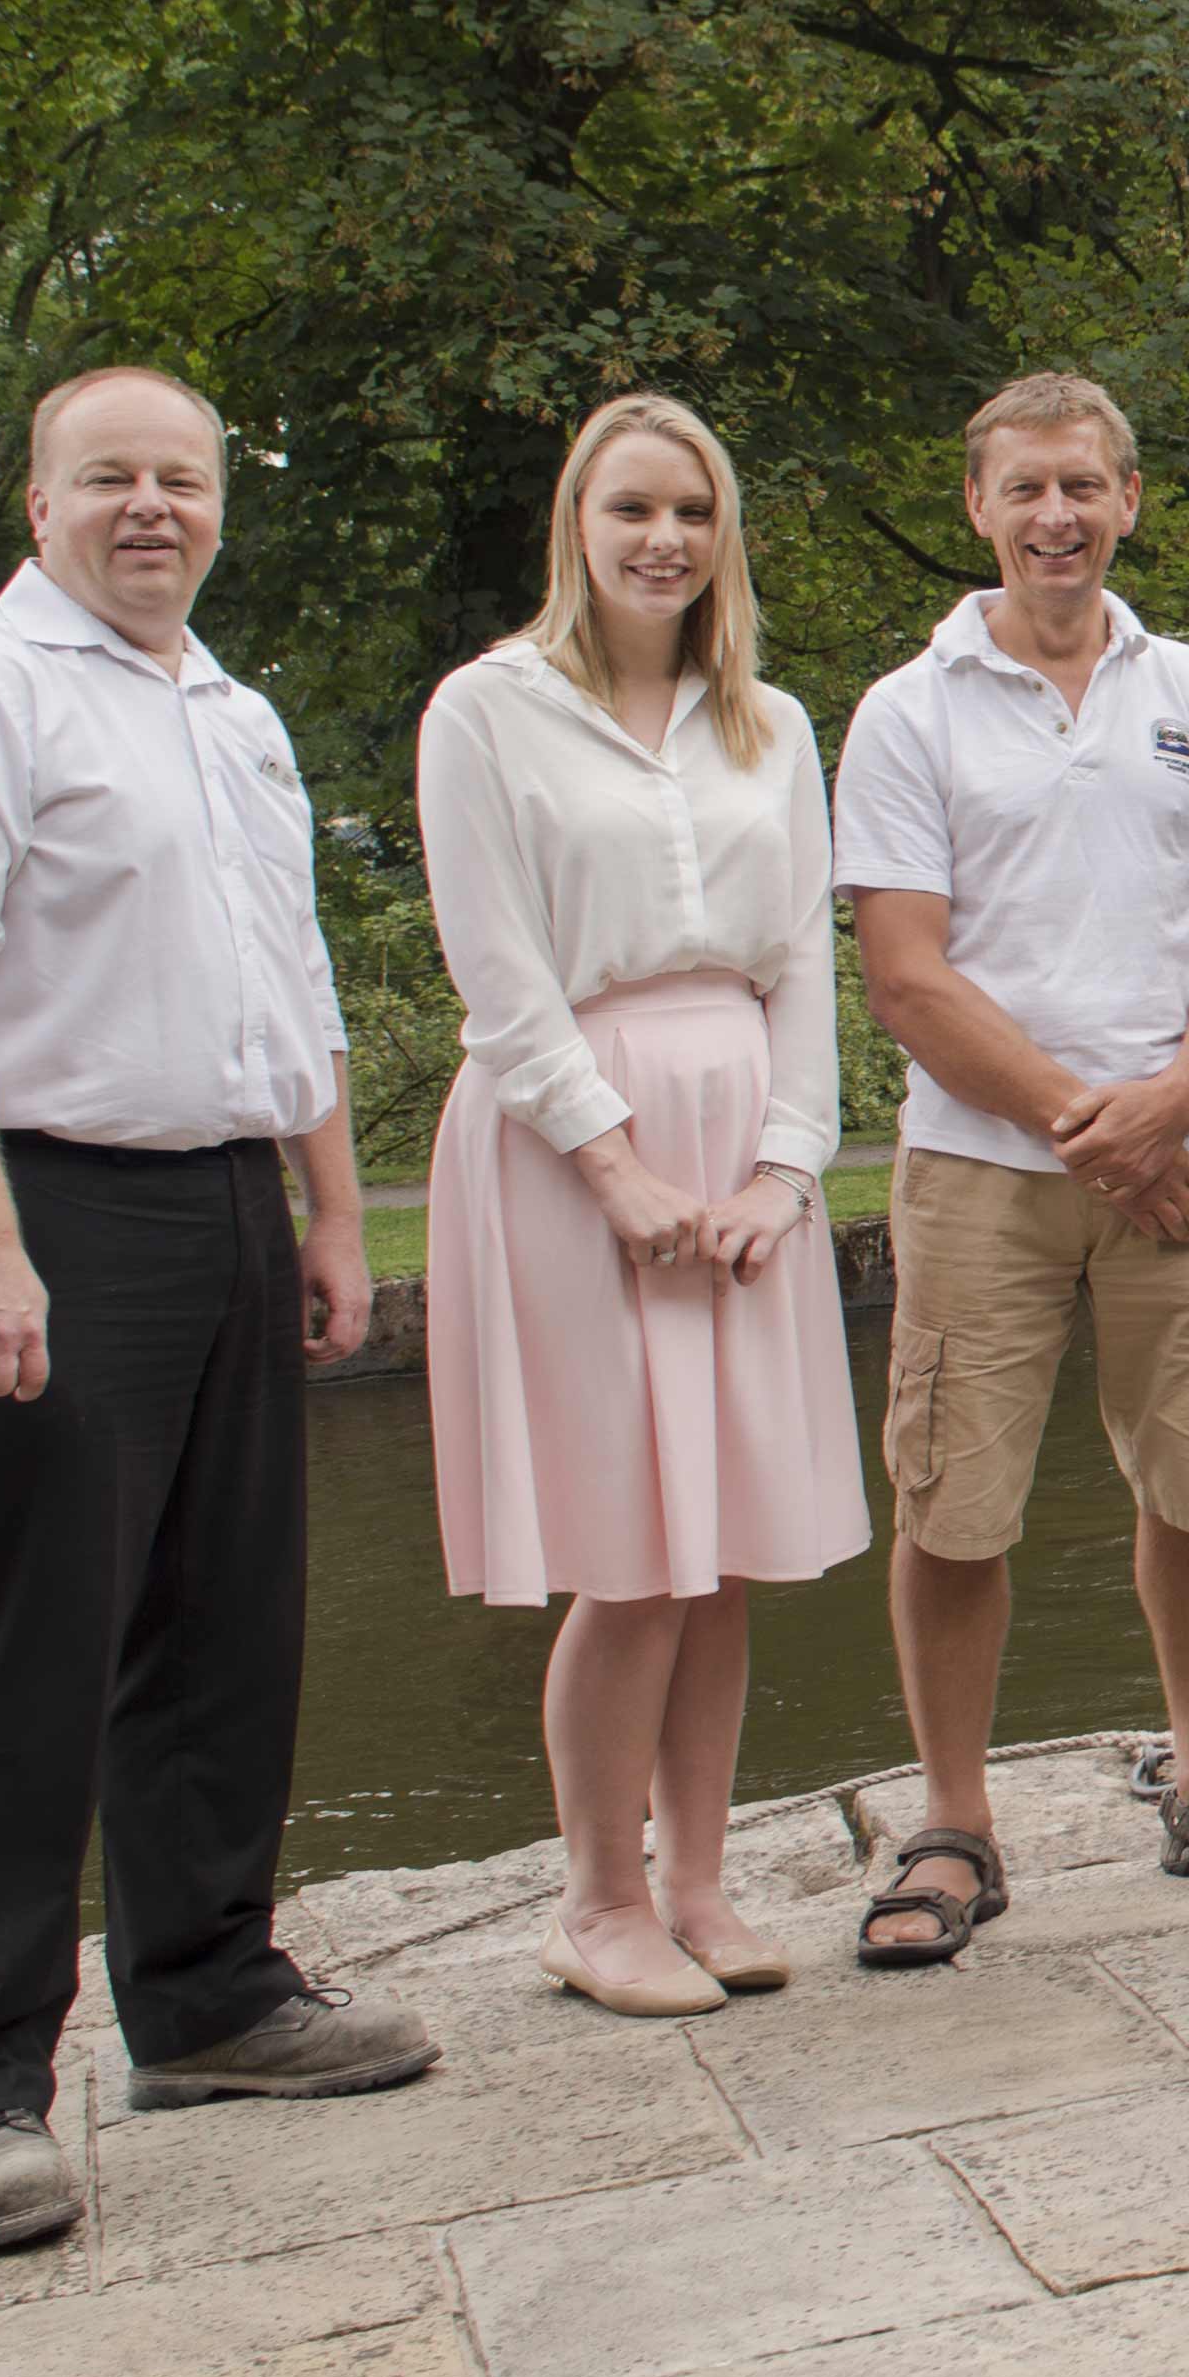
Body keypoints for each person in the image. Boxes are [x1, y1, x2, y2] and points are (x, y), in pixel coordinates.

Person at [0, 368, 436, 2257]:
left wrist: (329, 1211)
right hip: (43, 1203)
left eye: (181, 477)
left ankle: (211, 1994)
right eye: (110, 478)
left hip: (226, 1198)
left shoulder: (227, 714)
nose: (150, 506)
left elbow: (292, 977)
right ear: (40, 503)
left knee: (224, 1624)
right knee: (32, 1653)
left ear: (221, 504)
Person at [832, 371, 1189, 1955]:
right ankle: (954, 1825)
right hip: (984, 1169)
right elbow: (904, 973)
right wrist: (1098, 1131)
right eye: (1027, 489)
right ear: (976, 505)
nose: (1058, 517)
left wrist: (1179, 1094)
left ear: (1128, 500)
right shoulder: (906, 712)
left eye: (1085, 487)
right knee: (953, 1501)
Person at [416, 394, 870, 2018]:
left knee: (724, 1540)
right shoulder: (488, 711)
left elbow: (805, 962)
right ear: (576, 523)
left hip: (739, 1130)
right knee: (631, 1547)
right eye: (630, 509)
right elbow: (497, 967)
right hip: (566, 1142)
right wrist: (609, 1161)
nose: (661, 538)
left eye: (690, 509)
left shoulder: (768, 724)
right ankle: (595, 1901)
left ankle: (696, 1880)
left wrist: (785, 1166)